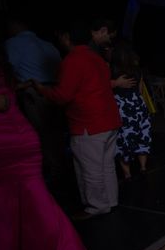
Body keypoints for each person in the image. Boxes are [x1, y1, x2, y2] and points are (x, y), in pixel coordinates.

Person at [0, 46, 90, 250]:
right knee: (17, 211)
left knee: (25, 209)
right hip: (14, 141)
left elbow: (2, 101)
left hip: (9, 144)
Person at [34, 23, 122, 220]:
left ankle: (96, 207)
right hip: (108, 119)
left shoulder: (73, 60)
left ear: (66, 37)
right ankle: (110, 201)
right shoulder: (96, 57)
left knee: (90, 168)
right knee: (106, 165)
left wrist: (42, 90)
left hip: (88, 123)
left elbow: (62, 96)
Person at [4, 17, 66, 186]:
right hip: (55, 89)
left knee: (43, 133)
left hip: (35, 91)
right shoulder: (48, 44)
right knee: (57, 132)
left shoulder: (14, 44)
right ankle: (61, 169)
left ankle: (54, 172)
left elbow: (9, 69)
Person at [110, 41, 152, 180]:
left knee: (124, 138)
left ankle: (127, 173)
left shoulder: (113, 71)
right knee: (143, 134)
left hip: (122, 107)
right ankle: (143, 167)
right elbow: (140, 90)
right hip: (138, 105)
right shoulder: (137, 70)